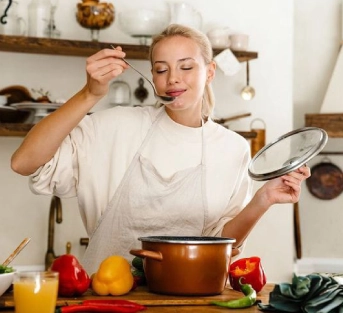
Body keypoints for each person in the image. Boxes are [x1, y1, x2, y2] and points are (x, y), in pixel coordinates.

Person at [11, 24, 310, 274]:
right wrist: (90, 93)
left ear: (210, 71)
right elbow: (24, 162)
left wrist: (264, 198)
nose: (173, 79)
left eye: (186, 67)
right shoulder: (114, 127)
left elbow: (224, 245)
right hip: (106, 296)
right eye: (161, 69)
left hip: (192, 297)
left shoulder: (232, 148)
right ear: (152, 77)